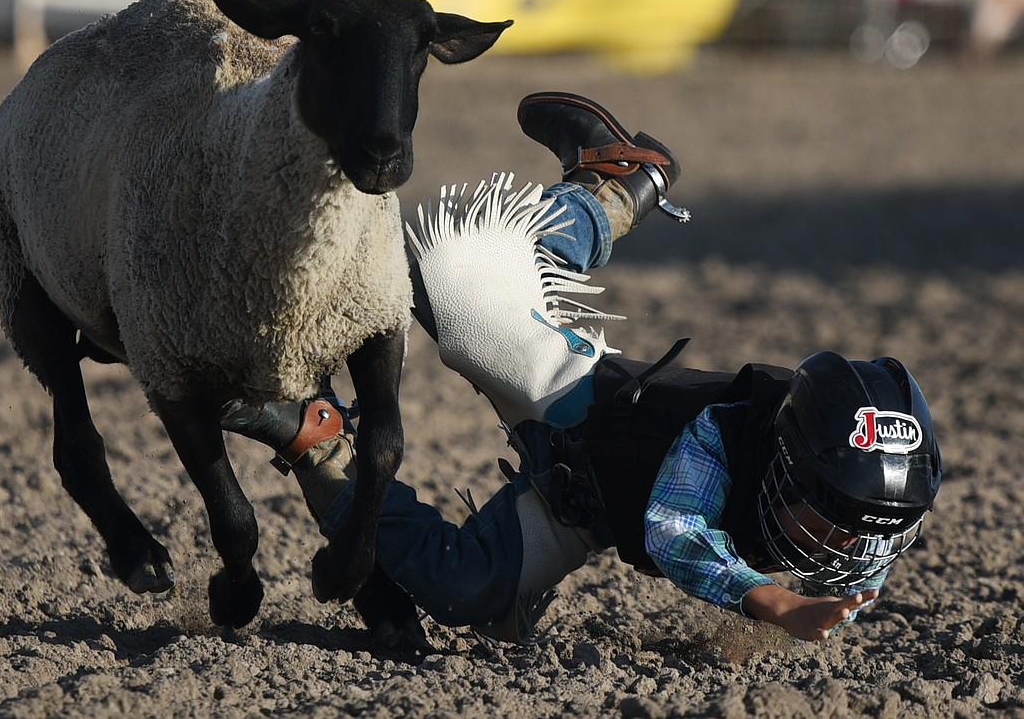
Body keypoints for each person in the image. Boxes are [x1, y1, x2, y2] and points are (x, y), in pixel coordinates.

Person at [221, 92, 943, 645]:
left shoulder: (860, 531)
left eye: (878, 529)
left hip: (581, 511)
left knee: (466, 591)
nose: (854, 545)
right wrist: (774, 601)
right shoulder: (724, 437)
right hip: (566, 396)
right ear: (786, 461)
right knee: (445, 277)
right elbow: (671, 532)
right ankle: (611, 189)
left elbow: (848, 545)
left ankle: (312, 432)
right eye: (841, 517)